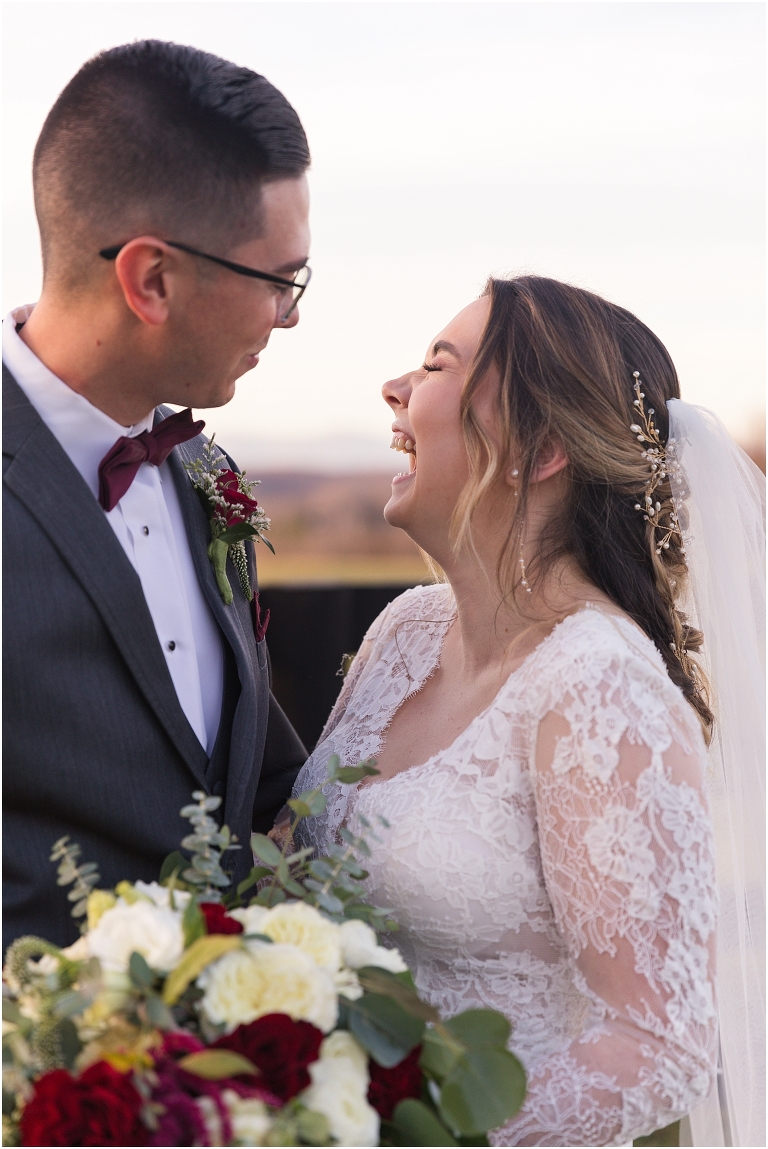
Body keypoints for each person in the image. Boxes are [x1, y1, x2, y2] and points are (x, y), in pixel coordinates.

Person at [293, 276, 765, 1145]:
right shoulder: (405, 631)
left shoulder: (597, 685)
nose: (395, 387)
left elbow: (661, 1039)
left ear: (540, 448)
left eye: (439, 365)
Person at [3, 40, 311, 952]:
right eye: (279, 280)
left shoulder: (209, 477)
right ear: (151, 278)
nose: (291, 315)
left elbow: (247, 783)